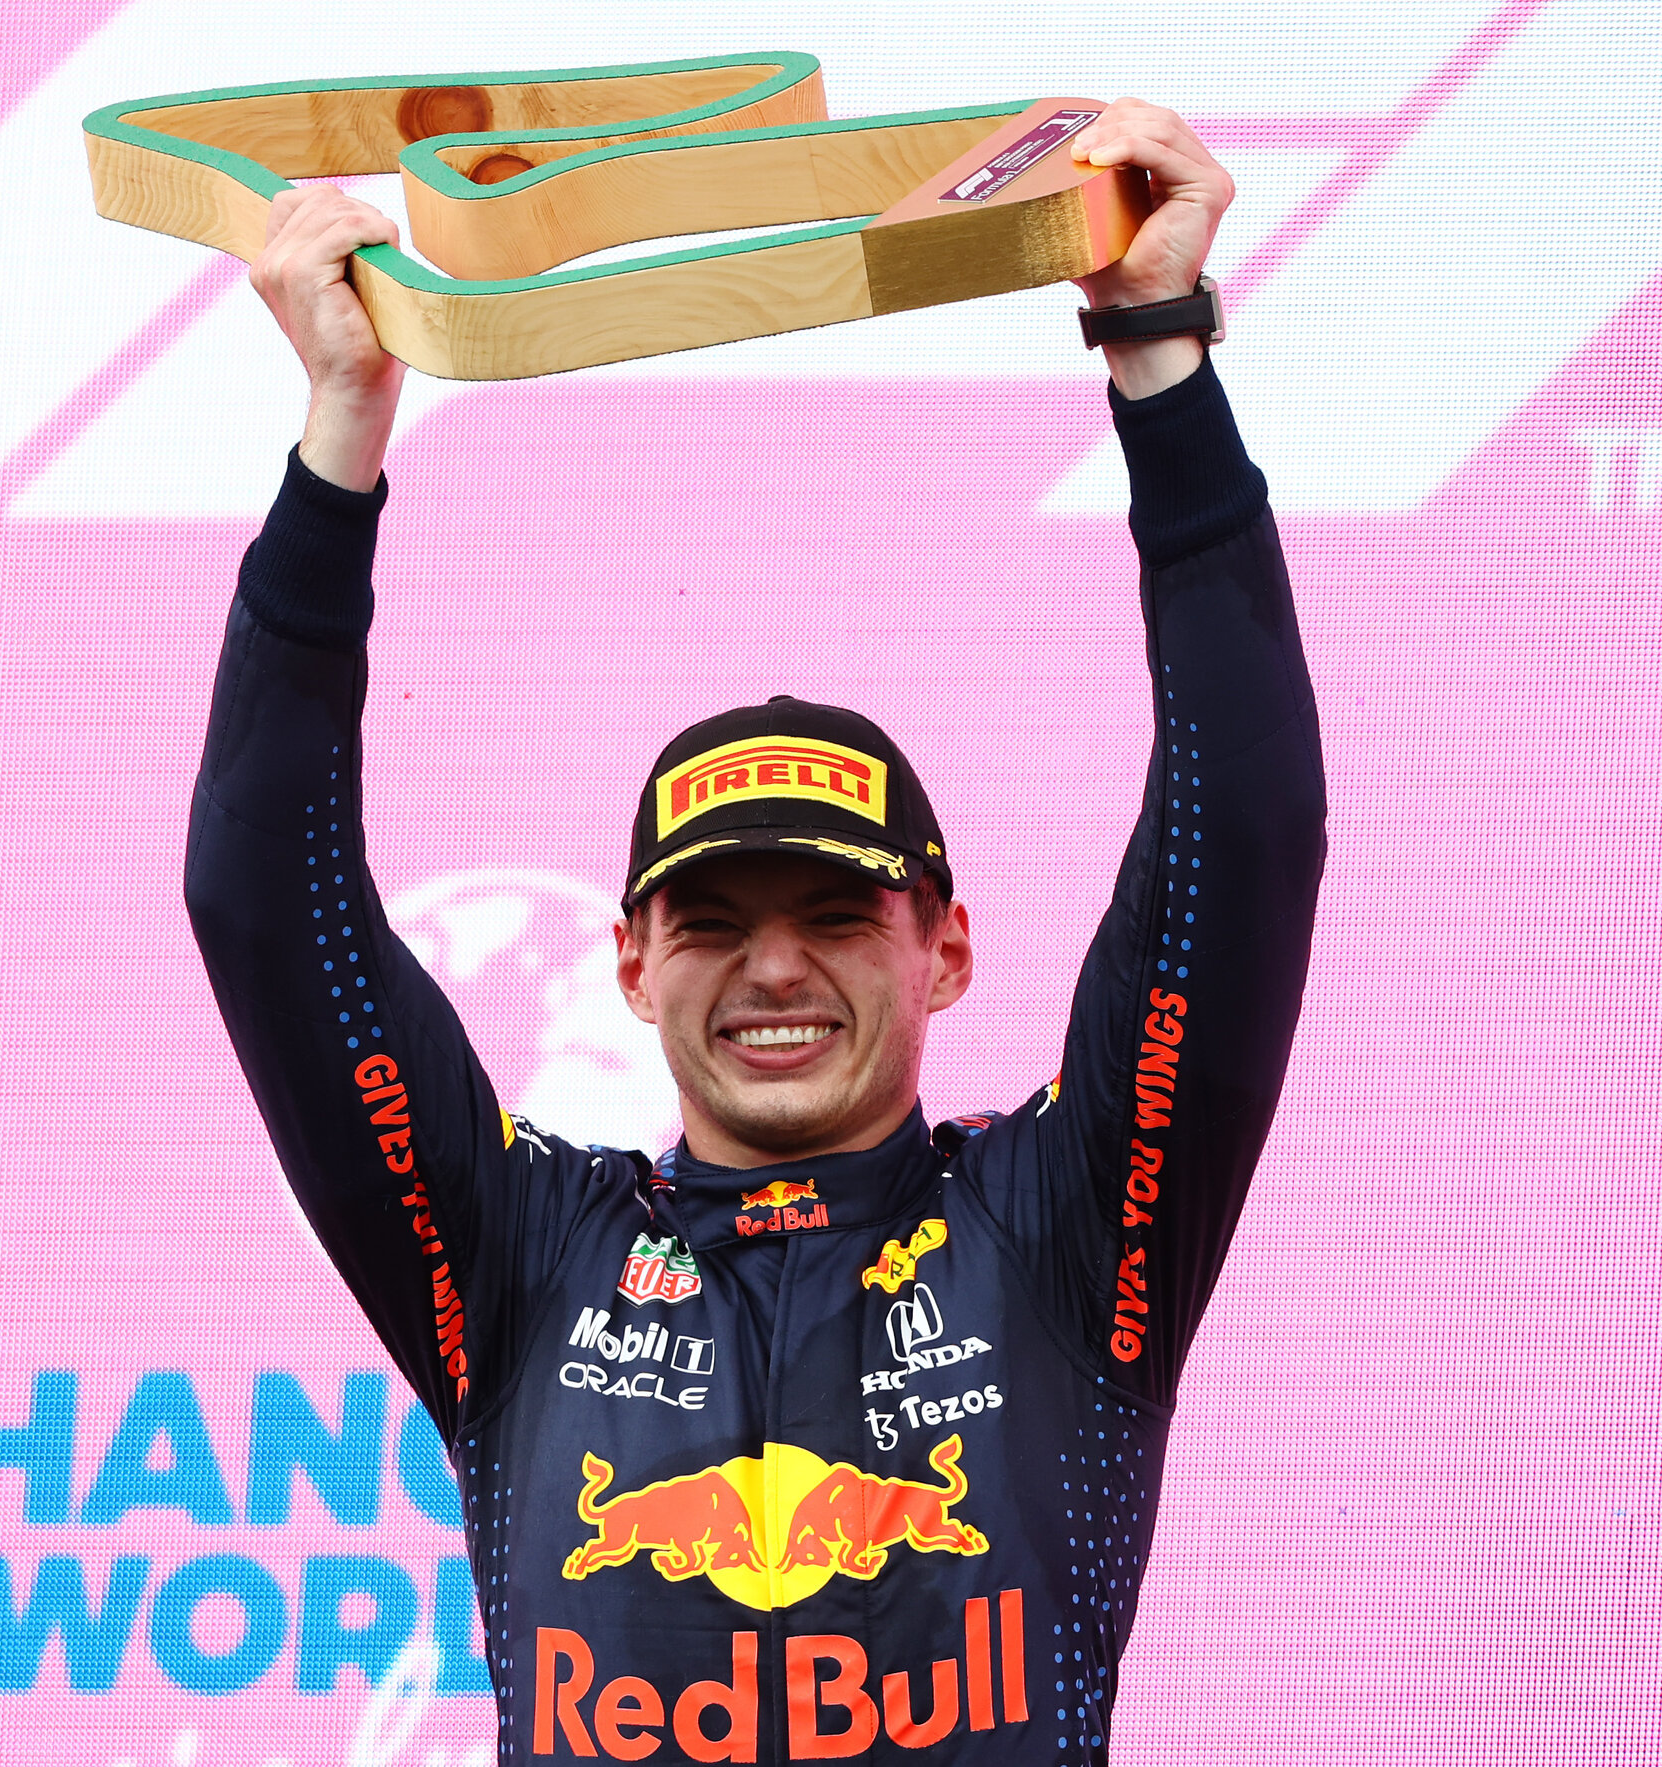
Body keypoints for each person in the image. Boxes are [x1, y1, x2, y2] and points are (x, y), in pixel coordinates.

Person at [187, 97, 1325, 1763]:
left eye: (838, 914)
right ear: (632, 967)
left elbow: (1252, 835)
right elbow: (260, 901)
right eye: (712, 921)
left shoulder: (1068, 1229)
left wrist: (1156, 351)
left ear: (944, 949)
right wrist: (343, 428)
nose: (774, 966)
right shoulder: (521, 1259)